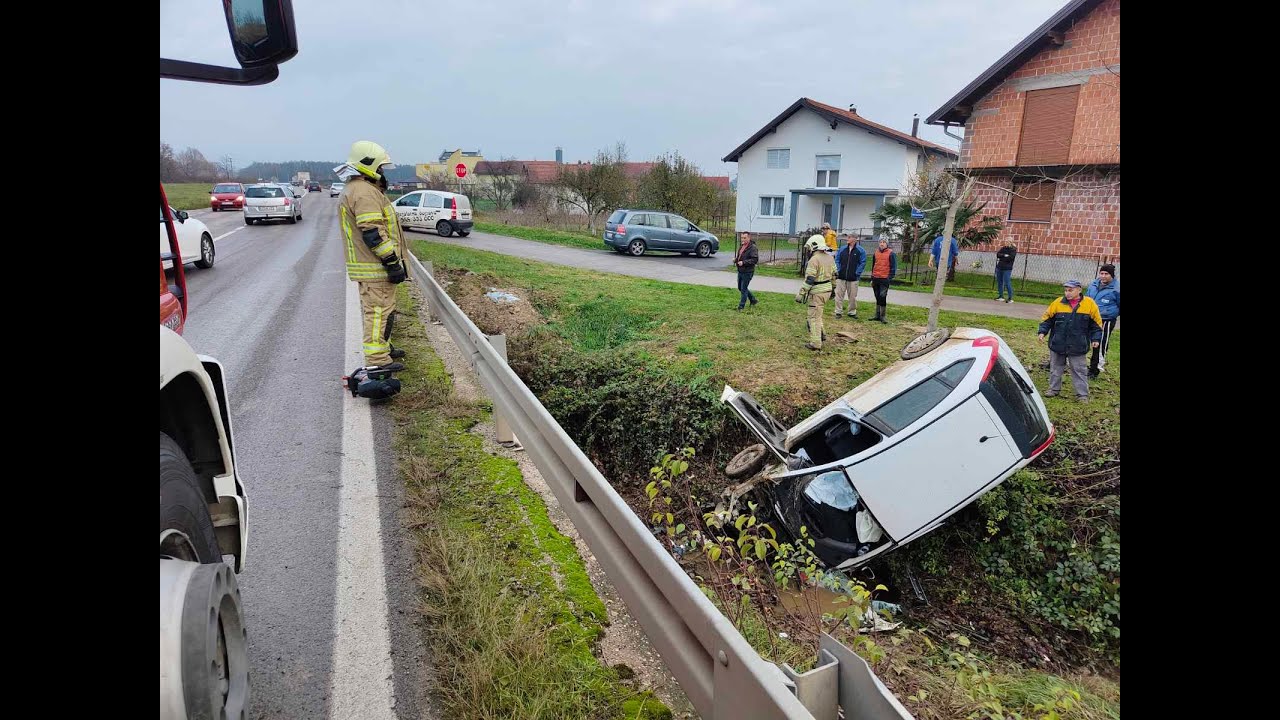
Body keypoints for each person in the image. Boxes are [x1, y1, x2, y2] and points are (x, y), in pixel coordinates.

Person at [335, 140, 409, 389]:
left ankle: (383, 349)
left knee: (382, 311)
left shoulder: (359, 189)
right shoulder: (364, 193)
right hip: (376, 268)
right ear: (370, 165)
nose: (383, 172)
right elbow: (373, 233)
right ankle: (378, 362)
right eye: (381, 167)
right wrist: (392, 262)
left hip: (372, 268)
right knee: (378, 313)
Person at [1037, 280, 1103, 402]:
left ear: (1079, 290)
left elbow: (1096, 324)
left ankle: (1082, 395)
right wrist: (1042, 332)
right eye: (1066, 290)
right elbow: (1047, 319)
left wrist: (1095, 338)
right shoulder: (1057, 303)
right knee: (1055, 368)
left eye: (1070, 290)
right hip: (1058, 343)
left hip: (1078, 344)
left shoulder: (1090, 304)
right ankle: (1053, 389)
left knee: (1079, 370)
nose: (1067, 293)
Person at [1085, 264, 1120, 377]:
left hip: (1105, 320)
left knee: (1099, 343)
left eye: (1106, 274)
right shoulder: (1093, 284)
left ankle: (1095, 368)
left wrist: (1111, 313)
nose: (1103, 276)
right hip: (1090, 317)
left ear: (1112, 275)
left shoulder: (1117, 289)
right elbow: (1086, 298)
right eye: (1101, 273)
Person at [802, 235, 835, 350]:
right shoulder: (830, 258)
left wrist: (801, 293)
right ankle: (822, 334)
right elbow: (835, 275)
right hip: (827, 290)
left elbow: (810, 279)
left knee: (813, 317)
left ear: (813, 246)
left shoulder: (814, 260)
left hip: (817, 292)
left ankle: (816, 343)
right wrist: (833, 289)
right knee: (818, 314)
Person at [833, 234, 866, 319]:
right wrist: (838, 270)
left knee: (852, 297)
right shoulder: (842, 249)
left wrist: (857, 273)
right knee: (839, 295)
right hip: (841, 277)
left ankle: (852, 312)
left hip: (853, 278)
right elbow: (837, 259)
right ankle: (838, 312)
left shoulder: (861, 250)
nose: (847, 239)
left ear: (855, 239)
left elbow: (862, 263)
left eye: (849, 237)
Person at [869, 237, 896, 323]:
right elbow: (873, 265)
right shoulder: (876, 252)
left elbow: (893, 267)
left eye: (884, 242)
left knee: (882, 296)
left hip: (884, 279)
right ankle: (877, 315)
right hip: (875, 278)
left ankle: (883, 316)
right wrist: (872, 278)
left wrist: (889, 278)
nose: (882, 244)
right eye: (880, 242)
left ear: (887, 244)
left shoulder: (891, 253)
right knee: (877, 296)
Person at [735, 231, 759, 311]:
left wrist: (743, 262)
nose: (743, 239)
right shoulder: (742, 246)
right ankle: (753, 300)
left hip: (748, 271)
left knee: (743, 289)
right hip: (740, 270)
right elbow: (740, 257)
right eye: (742, 238)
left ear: (749, 238)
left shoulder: (753, 248)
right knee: (740, 288)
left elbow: (754, 260)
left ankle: (741, 307)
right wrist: (736, 260)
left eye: (744, 238)